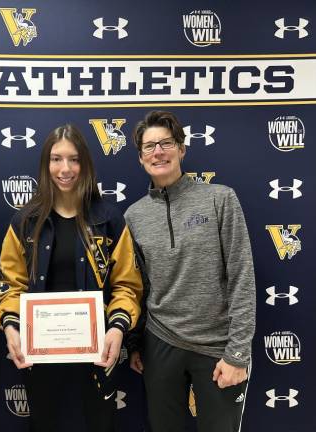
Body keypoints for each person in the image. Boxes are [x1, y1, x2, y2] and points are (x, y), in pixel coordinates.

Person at [0, 124, 143, 432]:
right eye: (56, 159)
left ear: (85, 164)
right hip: (39, 353)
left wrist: (117, 329)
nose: (65, 169)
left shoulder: (109, 220)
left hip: (99, 350)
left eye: (74, 159)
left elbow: (127, 285)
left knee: (101, 423)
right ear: (45, 164)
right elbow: (11, 284)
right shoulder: (25, 222)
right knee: (43, 423)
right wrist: (11, 328)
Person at [124, 111, 256, 432]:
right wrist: (136, 344)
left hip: (217, 348)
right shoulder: (134, 216)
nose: (158, 152)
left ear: (182, 149)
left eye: (166, 143)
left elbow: (242, 277)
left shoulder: (220, 199)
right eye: (149, 146)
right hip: (160, 344)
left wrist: (238, 354)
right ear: (141, 157)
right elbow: (137, 287)